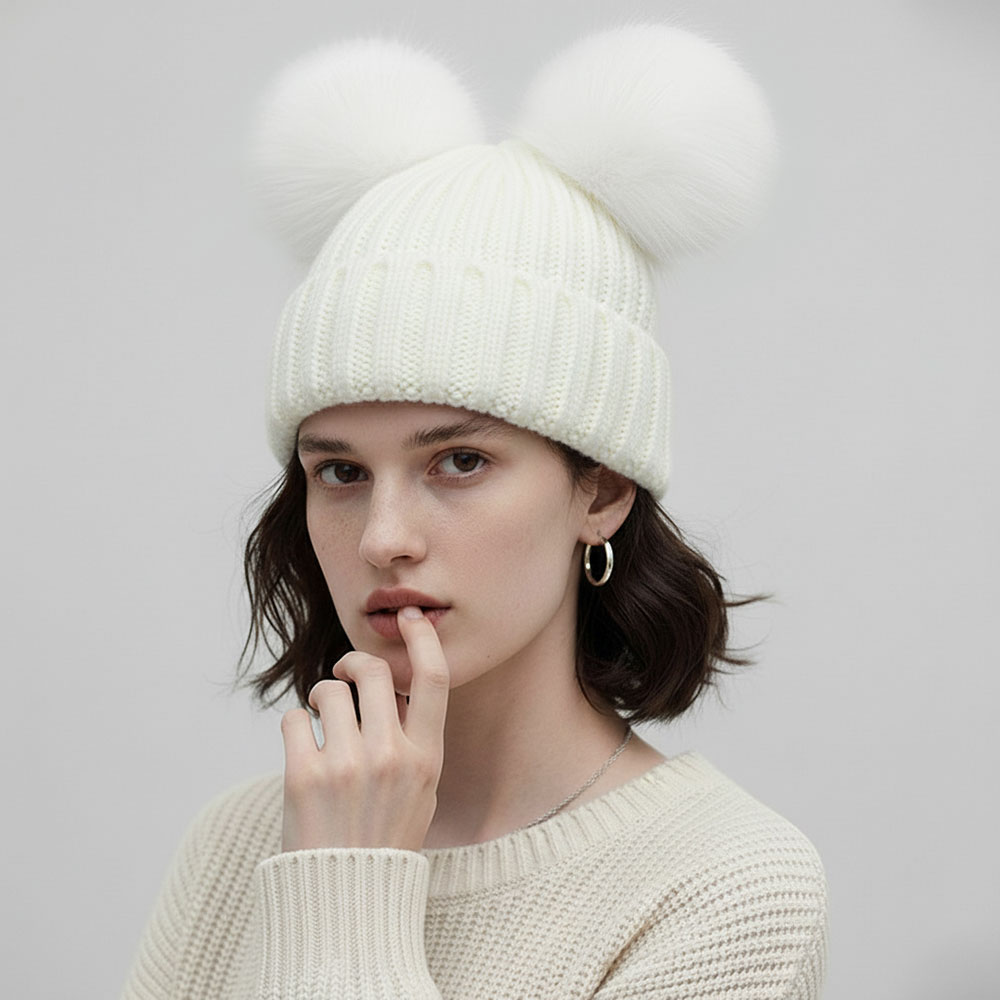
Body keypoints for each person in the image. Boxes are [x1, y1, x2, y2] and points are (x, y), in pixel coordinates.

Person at [119, 22, 829, 1000]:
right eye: (340, 471)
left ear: (601, 489)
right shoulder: (240, 844)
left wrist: (348, 893)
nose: (383, 538)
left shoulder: (727, 888)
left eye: (459, 461)